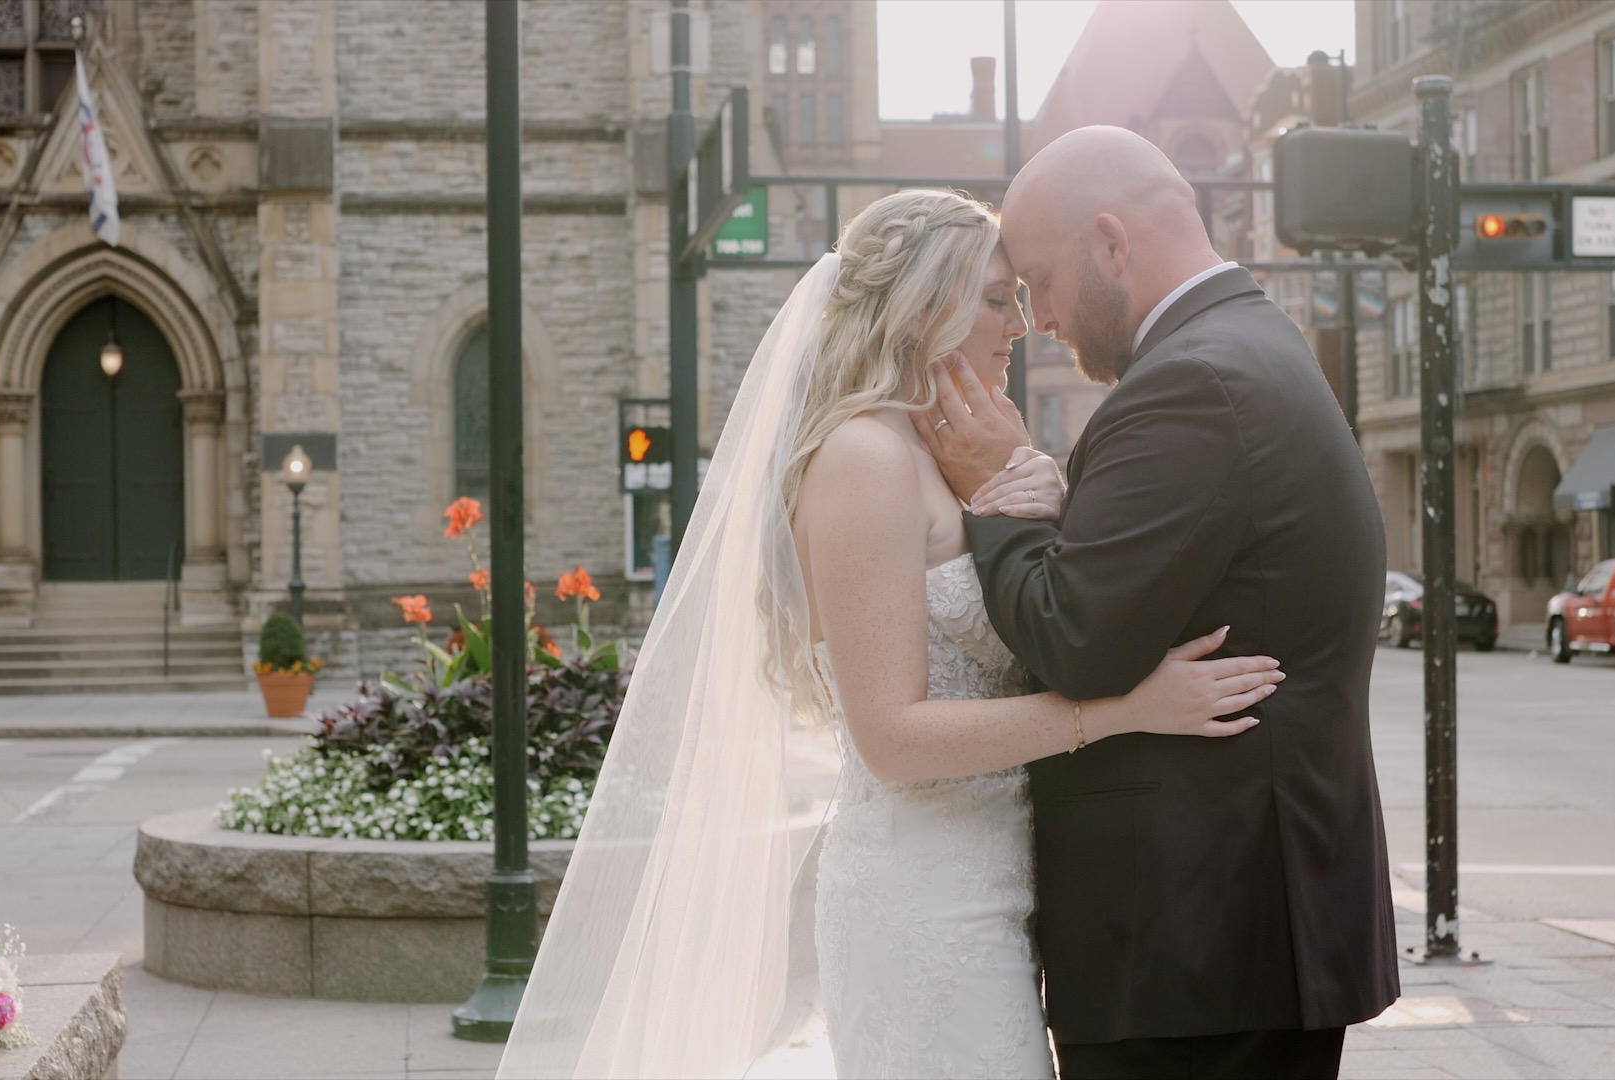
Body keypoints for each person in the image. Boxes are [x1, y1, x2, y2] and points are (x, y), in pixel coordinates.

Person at [495, 189, 1283, 1079]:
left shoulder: (939, 455)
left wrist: (1042, 501)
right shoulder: (862, 458)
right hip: (923, 902)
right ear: (921, 308)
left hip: (994, 888)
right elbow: (891, 738)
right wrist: (1127, 709)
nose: (1021, 324)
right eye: (997, 299)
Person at [916, 127, 1400, 1080]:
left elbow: (1075, 639)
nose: (1043, 319)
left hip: (1193, 943)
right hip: (1236, 931)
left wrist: (1001, 495)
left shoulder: (1191, 383)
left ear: (1111, 242)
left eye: (1041, 282)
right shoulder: (1254, 344)